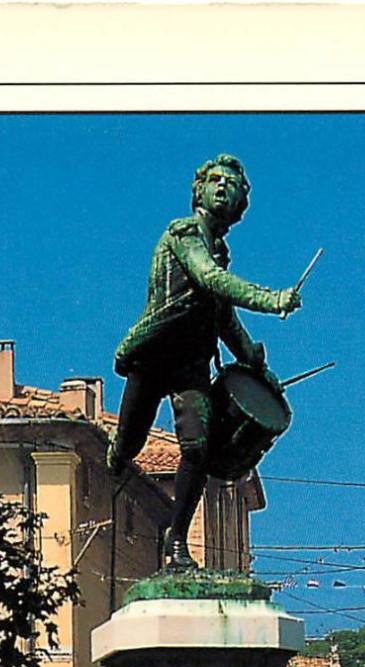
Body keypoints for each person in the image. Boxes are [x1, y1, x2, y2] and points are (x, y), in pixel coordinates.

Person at [109, 154, 302, 569]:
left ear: (239, 206)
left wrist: (253, 361)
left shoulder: (219, 251)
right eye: (215, 180)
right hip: (153, 355)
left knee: (197, 448)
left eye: (231, 185)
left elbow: (223, 318)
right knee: (128, 446)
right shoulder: (184, 235)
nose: (222, 188)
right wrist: (272, 300)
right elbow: (212, 281)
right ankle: (116, 458)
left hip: (190, 367)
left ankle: (175, 541)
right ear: (198, 191)